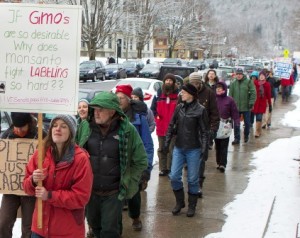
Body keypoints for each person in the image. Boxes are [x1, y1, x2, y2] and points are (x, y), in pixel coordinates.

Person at [75, 91, 148, 237]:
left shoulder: (127, 130)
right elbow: (75, 152)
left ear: (112, 111)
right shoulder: (85, 127)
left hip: (113, 192)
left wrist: (129, 182)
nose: (96, 113)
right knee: (95, 226)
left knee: (110, 230)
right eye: (94, 109)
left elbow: (140, 160)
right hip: (91, 191)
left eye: (101, 109)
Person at [23, 114, 93, 238]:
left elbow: (81, 197)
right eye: (54, 126)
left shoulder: (80, 159)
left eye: (63, 126)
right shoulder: (41, 154)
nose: (57, 129)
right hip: (39, 228)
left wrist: (49, 195)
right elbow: (26, 188)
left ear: (71, 132)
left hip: (67, 231)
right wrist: (33, 180)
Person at [165, 83, 209, 217]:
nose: (181, 94)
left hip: (194, 149)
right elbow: (171, 125)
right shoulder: (179, 108)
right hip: (179, 147)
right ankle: (180, 202)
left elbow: (205, 132)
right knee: (174, 176)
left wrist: (204, 149)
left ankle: (192, 205)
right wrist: (167, 142)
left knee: (192, 179)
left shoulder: (201, 110)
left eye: (183, 92)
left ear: (191, 94)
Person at [0, 113, 46, 238]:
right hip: (11, 188)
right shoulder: (7, 136)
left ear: (29, 124)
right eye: (16, 127)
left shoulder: (40, 135)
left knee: (29, 226)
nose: (19, 131)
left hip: (31, 189)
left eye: (22, 127)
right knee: (3, 222)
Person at [115, 84, 154, 231]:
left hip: (133, 165)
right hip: (116, 163)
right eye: (116, 98)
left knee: (133, 195)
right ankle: (116, 225)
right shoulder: (111, 115)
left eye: (121, 98)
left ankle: (135, 216)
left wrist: (146, 168)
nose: (118, 101)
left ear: (128, 100)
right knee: (115, 197)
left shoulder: (138, 118)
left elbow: (147, 144)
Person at [188, 72, 219, 198]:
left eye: (196, 83)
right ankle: (191, 182)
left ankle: (198, 185)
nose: (194, 85)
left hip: (203, 132)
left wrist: (212, 129)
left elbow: (214, 113)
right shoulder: (185, 92)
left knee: (201, 160)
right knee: (189, 161)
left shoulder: (209, 93)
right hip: (188, 131)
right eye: (192, 83)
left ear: (200, 82)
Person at [151, 73, 179, 176]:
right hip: (161, 127)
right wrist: (157, 117)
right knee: (162, 149)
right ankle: (163, 169)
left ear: (174, 83)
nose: (168, 82)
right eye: (167, 80)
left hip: (173, 128)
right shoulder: (158, 94)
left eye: (171, 81)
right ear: (164, 82)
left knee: (172, 150)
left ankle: (170, 168)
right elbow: (152, 109)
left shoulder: (178, 95)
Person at [215, 81, 240, 172]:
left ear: (224, 89)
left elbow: (234, 112)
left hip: (226, 125)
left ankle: (223, 164)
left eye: (220, 87)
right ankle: (218, 162)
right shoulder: (214, 98)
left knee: (224, 145)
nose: (218, 89)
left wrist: (236, 121)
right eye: (217, 87)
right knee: (217, 145)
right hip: (216, 125)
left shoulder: (229, 100)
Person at [229, 68, 256, 144]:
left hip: (246, 107)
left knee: (247, 123)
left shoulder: (248, 82)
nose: (238, 75)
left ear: (242, 74)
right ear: (235, 75)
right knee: (236, 124)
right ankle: (236, 138)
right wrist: (230, 106)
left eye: (240, 74)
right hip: (236, 107)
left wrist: (251, 102)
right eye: (237, 74)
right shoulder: (233, 83)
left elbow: (253, 93)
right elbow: (230, 95)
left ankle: (246, 135)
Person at [252, 71, 272, 138]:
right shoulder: (255, 83)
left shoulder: (267, 84)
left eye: (263, 75)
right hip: (254, 103)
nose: (261, 76)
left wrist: (270, 104)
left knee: (259, 117)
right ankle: (259, 130)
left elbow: (268, 95)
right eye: (260, 75)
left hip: (262, 103)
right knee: (252, 118)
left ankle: (257, 132)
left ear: (265, 77)